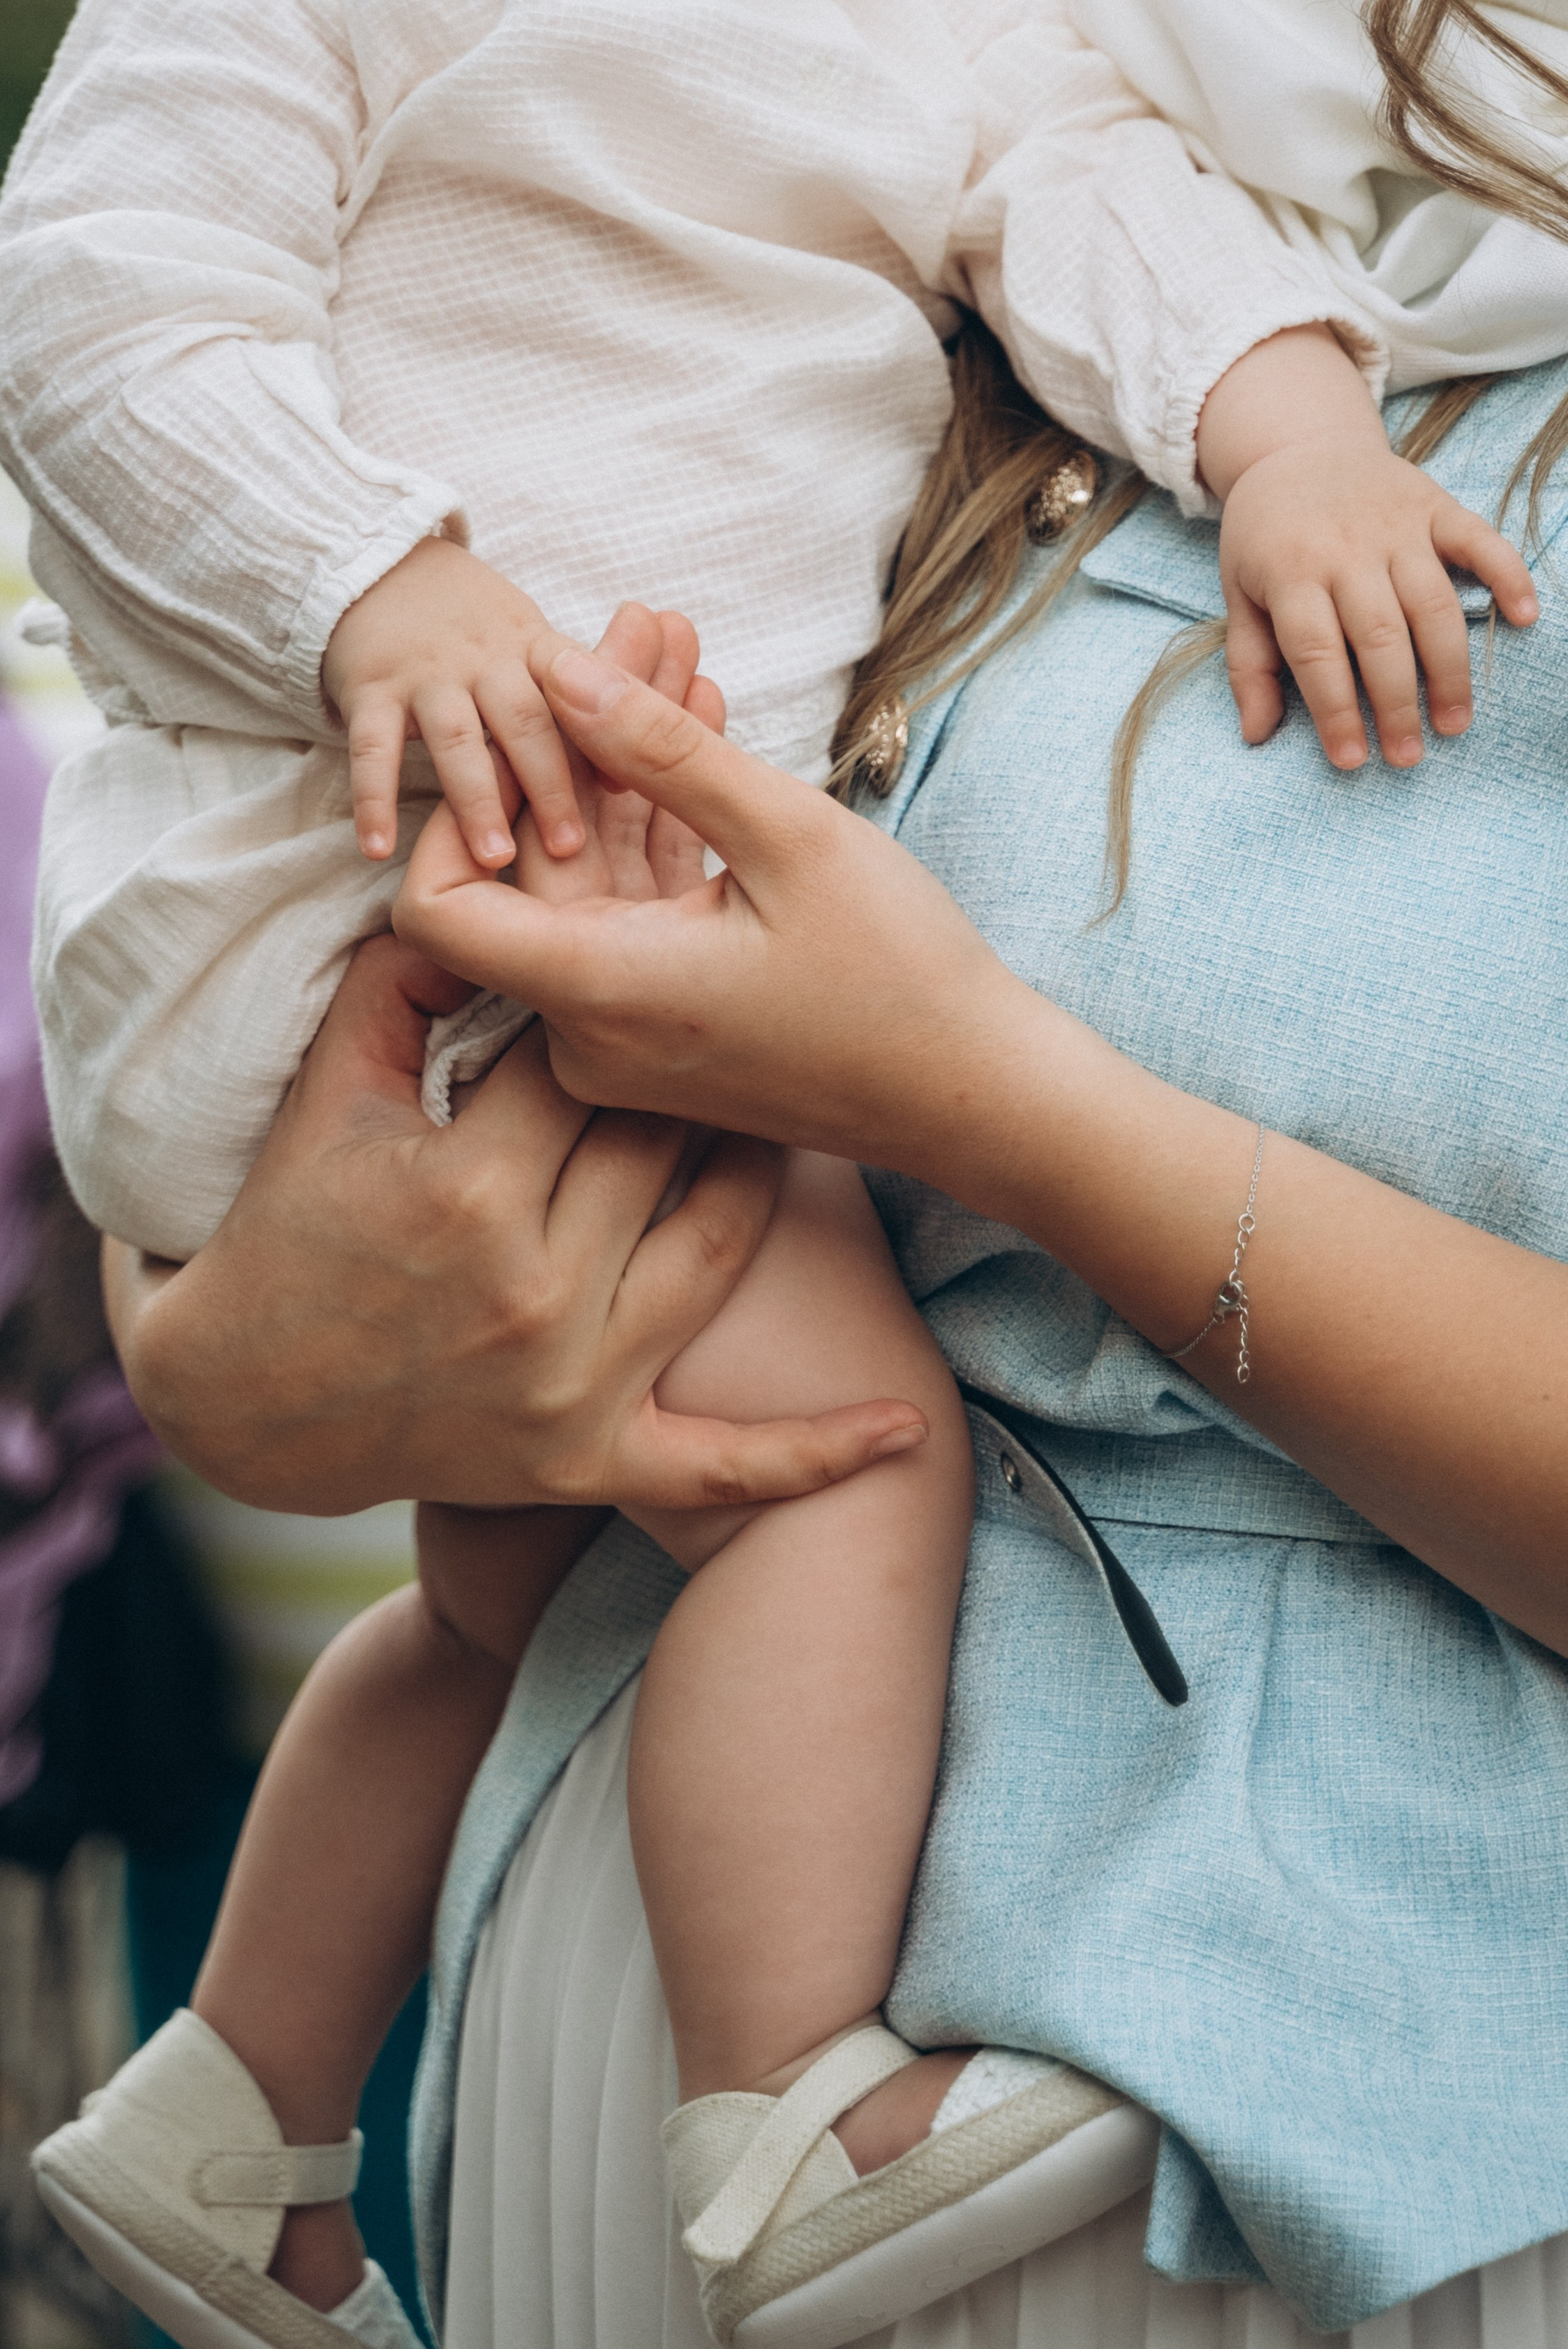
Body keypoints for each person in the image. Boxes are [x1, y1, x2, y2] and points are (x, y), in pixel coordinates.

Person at [8, 3, 1568, 2346]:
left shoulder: (969, 55)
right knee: (840, 1466)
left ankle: (231, 2110)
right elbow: (98, 289)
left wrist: (1292, 434)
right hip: (400, 877)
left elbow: (1103, 213)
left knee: (482, 1602)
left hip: (525, 909)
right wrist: (372, 586)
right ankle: (790, 2117)